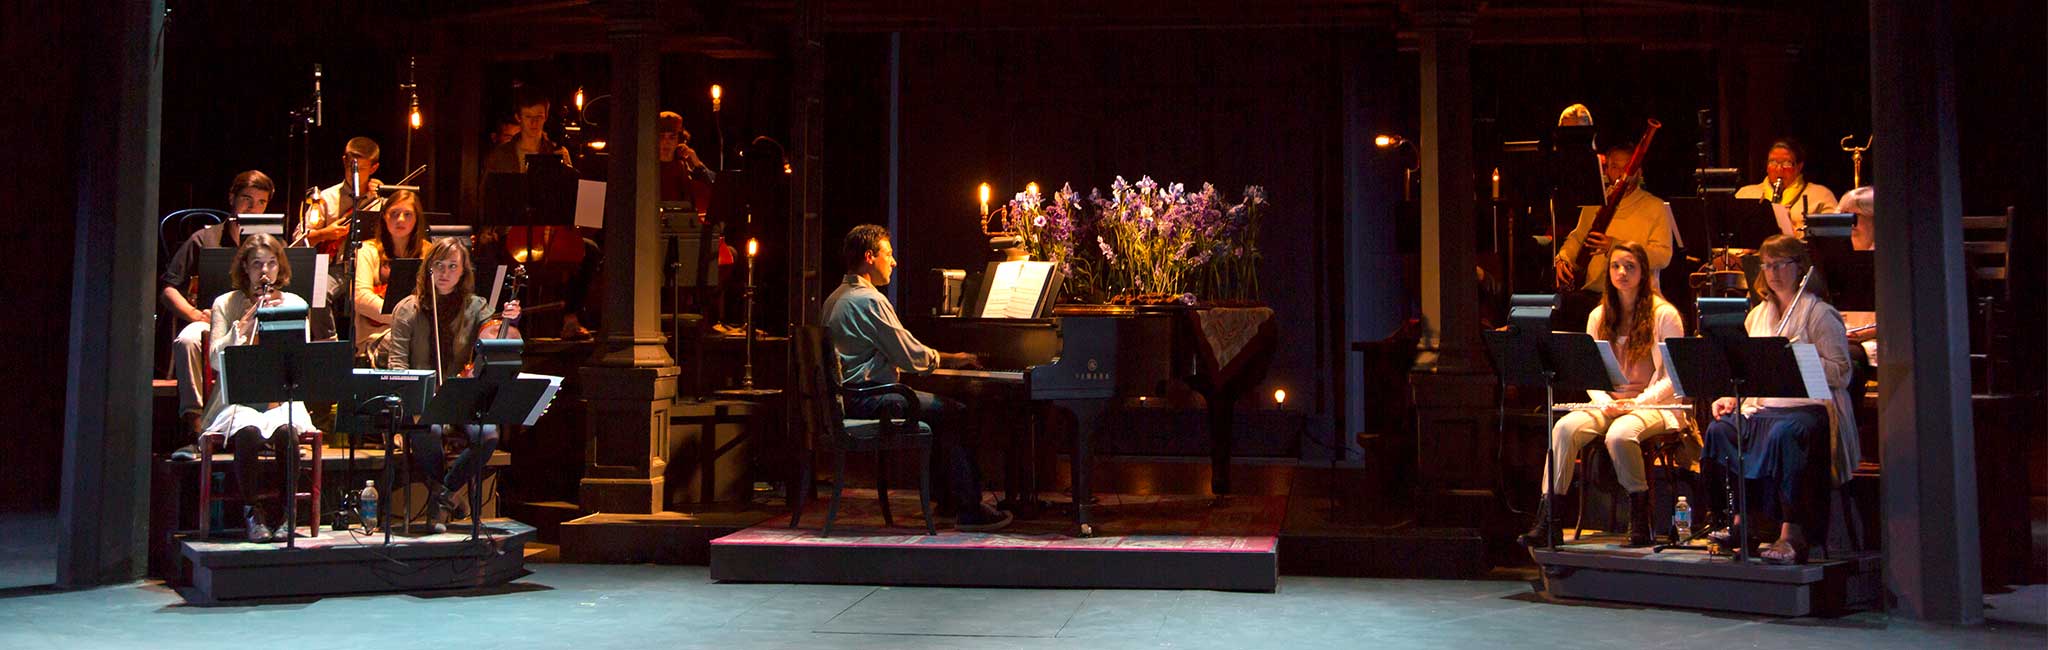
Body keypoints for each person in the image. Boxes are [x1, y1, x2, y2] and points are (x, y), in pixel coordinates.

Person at [822, 225, 1012, 531]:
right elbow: (911, 355)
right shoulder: (869, 300)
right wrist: (951, 359)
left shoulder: (836, 297)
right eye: (889, 253)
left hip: (849, 397)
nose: (894, 261)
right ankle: (968, 508)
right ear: (870, 257)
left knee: (940, 411)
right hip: (868, 399)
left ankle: (947, 500)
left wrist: (944, 360)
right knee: (955, 413)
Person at [1521, 241, 1691, 548]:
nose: (1622, 273)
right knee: (1563, 429)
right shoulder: (1599, 315)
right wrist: (1605, 402)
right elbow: (1590, 373)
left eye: (1630, 266)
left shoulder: (1665, 315)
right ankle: (1550, 518)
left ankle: (1639, 513)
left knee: (1620, 435)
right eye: (1615, 266)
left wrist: (1636, 403)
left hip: (1654, 403)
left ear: (1643, 272)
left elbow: (1673, 377)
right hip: (1610, 402)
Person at [1700, 234, 1857, 564]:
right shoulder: (1757, 315)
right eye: (1766, 265)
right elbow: (1745, 368)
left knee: (1785, 434)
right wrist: (1731, 398)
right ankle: (1741, 521)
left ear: (1799, 268)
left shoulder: (1820, 314)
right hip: (1766, 408)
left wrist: (1795, 361)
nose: (1772, 271)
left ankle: (1792, 534)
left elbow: (1842, 372)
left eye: (1780, 264)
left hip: (1809, 410)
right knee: (1721, 430)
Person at [382, 238, 521, 532]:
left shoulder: (475, 307)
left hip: (460, 395)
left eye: (452, 266)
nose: (445, 272)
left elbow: (494, 333)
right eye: (439, 265)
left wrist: (508, 319)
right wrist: (417, 396)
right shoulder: (407, 309)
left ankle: (443, 496)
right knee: (427, 430)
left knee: (487, 435)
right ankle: (445, 500)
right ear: (428, 269)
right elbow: (397, 364)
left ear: (462, 273)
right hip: (422, 398)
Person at [199, 233, 317, 542]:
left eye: (271, 264)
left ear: (280, 268)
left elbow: (300, 358)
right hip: (239, 399)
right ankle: (253, 512)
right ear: (245, 269)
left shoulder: (295, 303)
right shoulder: (225, 304)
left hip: (279, 398)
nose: (264, 272)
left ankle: (287, 515)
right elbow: (214, 360)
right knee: (248, 435)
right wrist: (241, 329)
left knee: (287, 436)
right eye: (256, 265)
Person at [164, 171, 271, 445]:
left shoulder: (270, 244)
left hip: (257, 321)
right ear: (232, 199)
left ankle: (273, 425)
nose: (253, 207)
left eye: (260, 202)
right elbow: (168, 287)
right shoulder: (205, 238)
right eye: (247, 199)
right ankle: (197, 422)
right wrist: (193, 314)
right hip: (212, 320)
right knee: (188, 339)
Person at [1553, 139, 1675, 324]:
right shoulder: (1596, 202)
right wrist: (1564, 258)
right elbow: (1578, 238)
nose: (1621, 173)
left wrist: (1614, 246)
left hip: (1634, 298)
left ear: (1639, 171)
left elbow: (1662, 256)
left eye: (1627, 167)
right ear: (1606, 171)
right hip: (1594, 295)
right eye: (1615, 167)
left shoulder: (1654, 206)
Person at [352, 189, 430, 362]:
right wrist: (402, 319)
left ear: (417, 219)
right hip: (376, 336)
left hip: (417, 331)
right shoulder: (366, 250)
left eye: (408, 214)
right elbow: (360, 298)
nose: (400, 219)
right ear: (384, 217)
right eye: (394, 213)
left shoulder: (428, 252)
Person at [1734, 138, 1838, 237]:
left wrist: (1799, 233)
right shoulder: (1746, 194)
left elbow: (1833, 236)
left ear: (1799, 166)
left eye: (1787, 163)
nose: (1779, 169)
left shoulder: (1820, 195)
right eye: (1773, 162)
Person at [299, 136, 385, 253]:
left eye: (361, 169)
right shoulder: (326, 198)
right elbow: (299, 239)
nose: (354, 174)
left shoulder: (379, 199)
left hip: (370, 267)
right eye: (351, 167)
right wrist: (324, 234)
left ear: (373, 168)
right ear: (344, 161)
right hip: (330, 267)